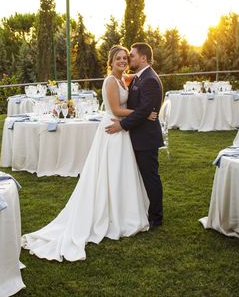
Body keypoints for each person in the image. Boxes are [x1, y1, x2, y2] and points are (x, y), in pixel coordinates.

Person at [21, 45, 154, 262]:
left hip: (122, 131)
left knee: (121, 173)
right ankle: (109, 216)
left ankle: (120, 212)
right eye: (118, 59)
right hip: (112, 129)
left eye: (124, 58)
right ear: (110, 62)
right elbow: (117, 110)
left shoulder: (123, 79)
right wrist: (145, 113)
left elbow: (136, 78)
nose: (122, 61)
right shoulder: (111, 81)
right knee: (109, 172)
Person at [105, 42, 164, 228]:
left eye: (131, 55)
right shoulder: (138, 77)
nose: (128, 59)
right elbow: (141, 109)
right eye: (123, 57)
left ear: (143, 58)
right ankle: (134, 209)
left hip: (145, 138)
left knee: (150, 177)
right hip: (135, 136)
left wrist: (122, 125)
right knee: (136, 176)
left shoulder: (150, 80)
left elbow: (144, 110)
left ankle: (155, 217)